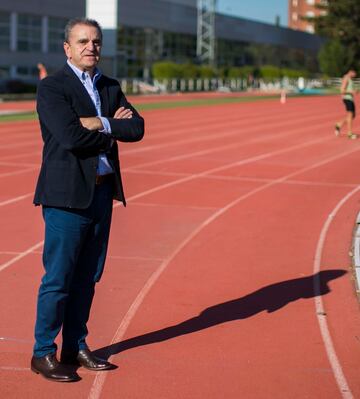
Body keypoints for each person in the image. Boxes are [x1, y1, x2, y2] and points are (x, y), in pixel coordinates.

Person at [31, 18, 144, 382]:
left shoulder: (109, 85)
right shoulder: (53, 88)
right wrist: (111, 126)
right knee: (59, 278)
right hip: (66, 198)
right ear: (67, 47)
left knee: (88, 278)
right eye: (82, 41)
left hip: (101, 192)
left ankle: (75, 346)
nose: (90, 47)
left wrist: (99, 123)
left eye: (95, 41)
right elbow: (69, 138)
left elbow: (137, 128)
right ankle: (43, 352)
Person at [335, 69, 357, 139]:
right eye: (355, 73)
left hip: (350, 98)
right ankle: (349, 133)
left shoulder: (350, 79)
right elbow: (342, 90)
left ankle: (339, 124)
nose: (355, 75)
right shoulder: (346, 78)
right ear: (351, 71)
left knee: (352, 116)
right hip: (347, 98)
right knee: (350, 115)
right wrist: (352, 92)